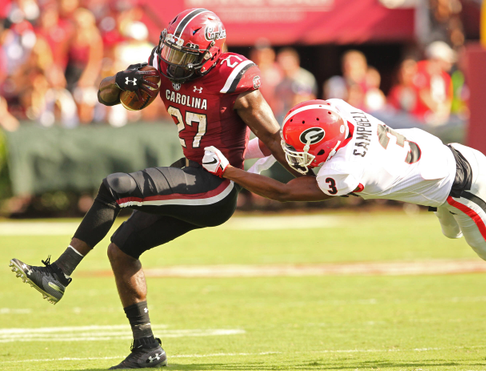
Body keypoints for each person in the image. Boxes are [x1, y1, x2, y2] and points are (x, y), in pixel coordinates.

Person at [9, 8, 299, 370]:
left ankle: (59, 273)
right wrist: (121, 80)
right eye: (171, 50)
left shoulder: (232, 77)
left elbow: (272, 137)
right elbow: (105, 96)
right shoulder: (162, 62)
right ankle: (147, 347)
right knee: (121, 251)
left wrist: (305, 177)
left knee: (115, 187)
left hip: (215, 183)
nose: (173, 62)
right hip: (191, 173)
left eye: (184, 56)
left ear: (210, 54)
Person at [202, 98, 486, 284]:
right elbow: (289, 140)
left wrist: (228, 171)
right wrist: (242, 153)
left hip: (462, 187)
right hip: (450, 159)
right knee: (451, 233)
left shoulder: (345, 171)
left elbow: (284, 192)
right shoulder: (338, 111)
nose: (296, 156)